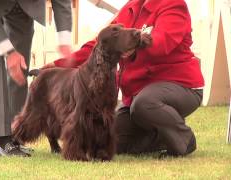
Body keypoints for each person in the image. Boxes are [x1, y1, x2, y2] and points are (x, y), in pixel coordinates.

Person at [44, 0, 204, 157]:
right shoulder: (131, 7)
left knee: (145, 103)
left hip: (180, 86)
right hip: (138, 95)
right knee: (114, 138)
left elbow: (161, 45)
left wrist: (134, 43)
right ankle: (163, 137)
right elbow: (100, 44)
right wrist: (59, 64)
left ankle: (184, 140)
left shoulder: (173, 5)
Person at [0, 0, 72, 156]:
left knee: (20, 66)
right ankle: (3, 141)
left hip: (22, 6)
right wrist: (9, 52)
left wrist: (64, 39)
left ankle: (15, 134)